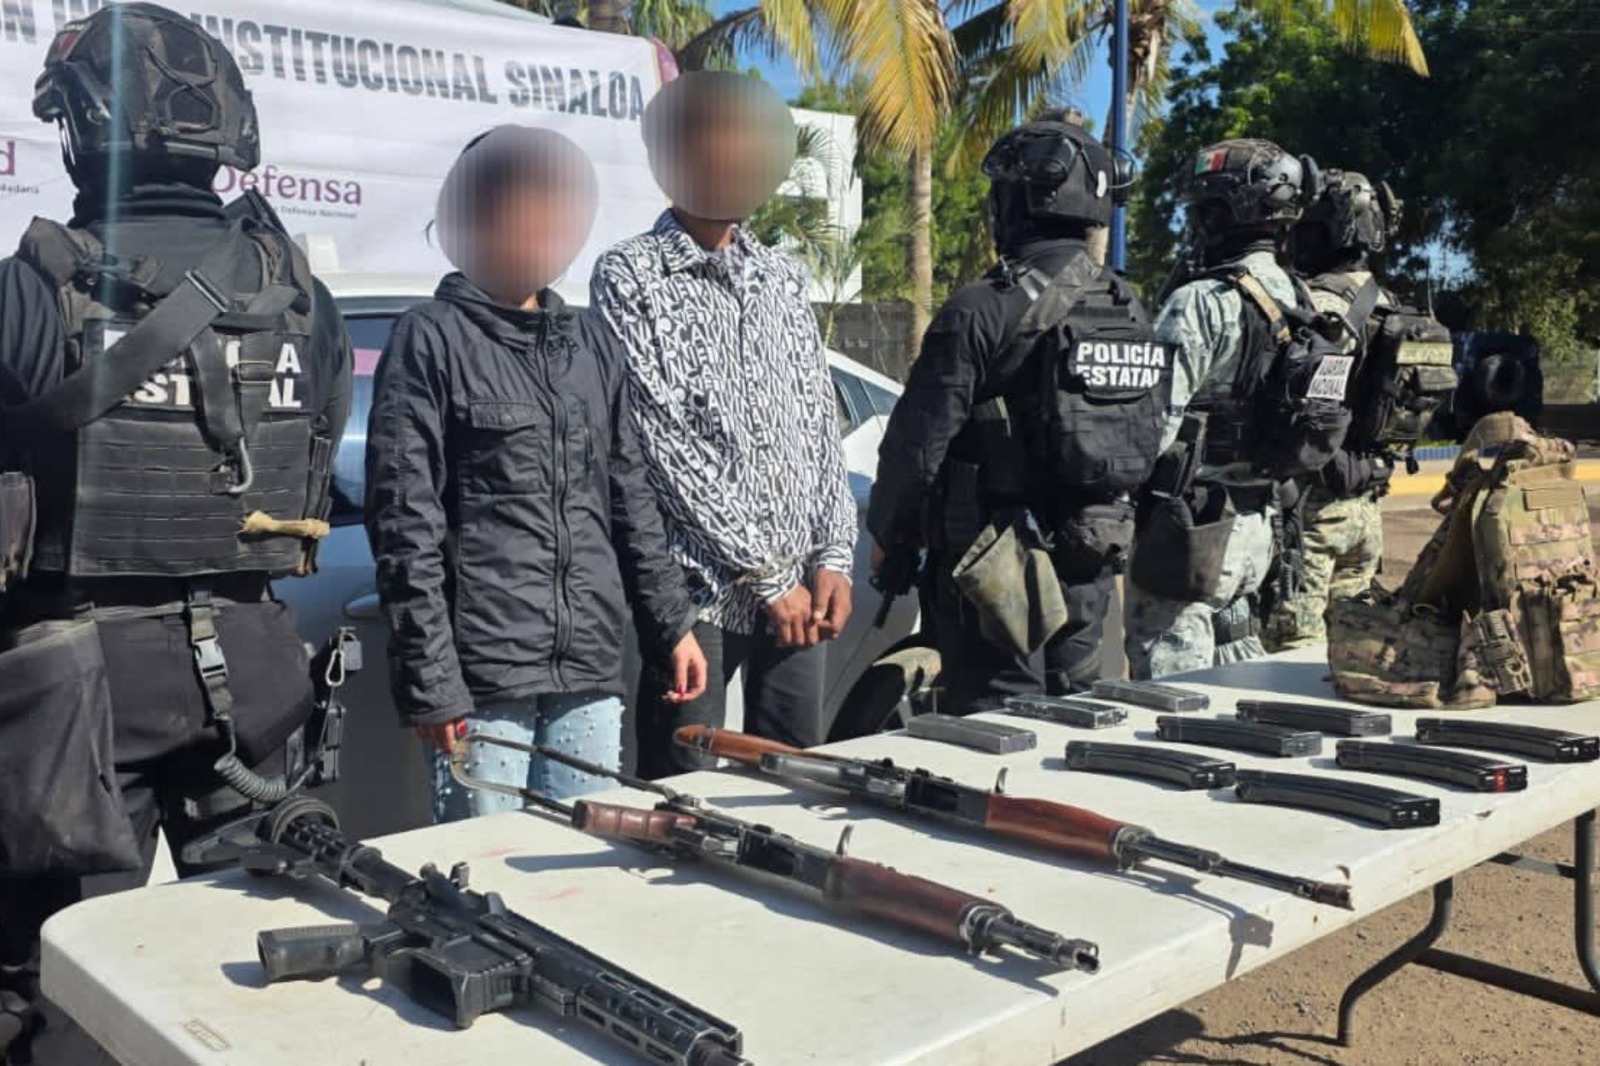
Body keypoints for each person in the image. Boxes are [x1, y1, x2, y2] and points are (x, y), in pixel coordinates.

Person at [0, 6, 351, 1061]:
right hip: (257, 669)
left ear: (81, 129)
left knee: (56, 981)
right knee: (261, 970)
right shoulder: (301, 295)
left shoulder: (33, 286)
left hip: (73, 686)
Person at [365, 126, 707, 821]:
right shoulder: (430, 338)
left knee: (579, 862)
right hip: (485, 682)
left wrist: (673, 625)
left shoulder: (592, 344)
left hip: (589, 669)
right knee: (483, 868)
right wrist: (433, 680)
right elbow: (405, 523)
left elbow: (629, 498)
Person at [591, 72, 856, 778]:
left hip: (802, 589)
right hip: (698, 593)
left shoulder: (781, 277)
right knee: (682, 793)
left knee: (797, 782)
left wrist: (834, 554)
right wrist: (766, 575)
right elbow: (663, 443)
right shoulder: (630, 275)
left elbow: (817, 420)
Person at [867, 117, 1169, 711]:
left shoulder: (982, 307)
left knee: (996, 719)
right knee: (1074, 711)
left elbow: (917, 447)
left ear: (1016, 201)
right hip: (1090, 550)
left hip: (993, 560)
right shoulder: (1127, 306)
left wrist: (888, 534)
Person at [1124, 138, 1332, 679]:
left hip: (1193, 532)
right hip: (1262, 522)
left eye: (1203, 209)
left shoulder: (1201, 301)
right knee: (1234, 674)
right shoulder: (1300, 296)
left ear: (1226, 212)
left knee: (1171, 685)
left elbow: (1152, 427)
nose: (1196, 222)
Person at [1266, 170, 1403, 650]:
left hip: (1314, 509)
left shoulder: (1321, 304)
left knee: (1291, 652)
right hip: (1367, 503)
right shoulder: (1388, 301)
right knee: (1351, 653)